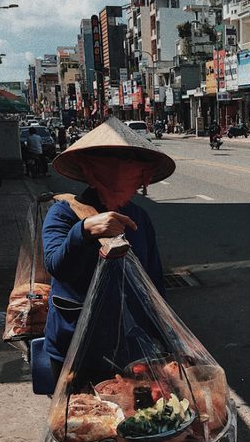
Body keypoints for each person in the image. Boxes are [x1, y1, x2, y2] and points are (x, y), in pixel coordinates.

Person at [42, 117, 175, 383]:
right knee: (82, 420)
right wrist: (84, 231)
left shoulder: (140, 218)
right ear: (89, 167)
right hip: (75, 346)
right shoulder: (63, 214)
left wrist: (170, 343)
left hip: (131, 348)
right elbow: (58, 267)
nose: (120, 171)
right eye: (110, 161)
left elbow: (154, 286)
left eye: (130, 163)